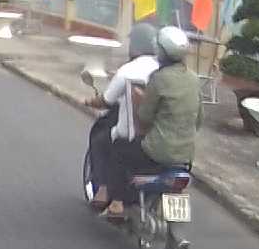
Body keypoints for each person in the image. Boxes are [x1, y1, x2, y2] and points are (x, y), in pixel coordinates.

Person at [102, 26, 203, 220]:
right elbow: (199, 119)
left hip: (157, 151)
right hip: (186, 155)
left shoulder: (158, 79)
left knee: (119, 149)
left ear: (160, 51)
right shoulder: (194, 79)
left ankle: (117, 203)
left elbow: (145, 116)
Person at [87, 23, 160, 210]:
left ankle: (104, 190)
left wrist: (90, 101)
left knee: (101, 141)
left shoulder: (128, 70)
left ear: (134, 45)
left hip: (137, 135)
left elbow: (107, 100)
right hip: (164, 134)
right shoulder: (165, 70)